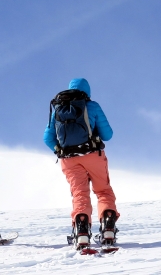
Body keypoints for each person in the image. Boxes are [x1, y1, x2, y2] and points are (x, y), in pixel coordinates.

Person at [44, 78, 119, 248]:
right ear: (87, 91)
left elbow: (47, 138)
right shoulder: (91, 106)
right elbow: (108, 135)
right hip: (92, 154)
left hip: (69, 159)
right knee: (103, 191)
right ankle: (108, 228)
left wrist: (60, 150)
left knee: (80, 195)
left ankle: (82, 232)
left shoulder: (58, 108)